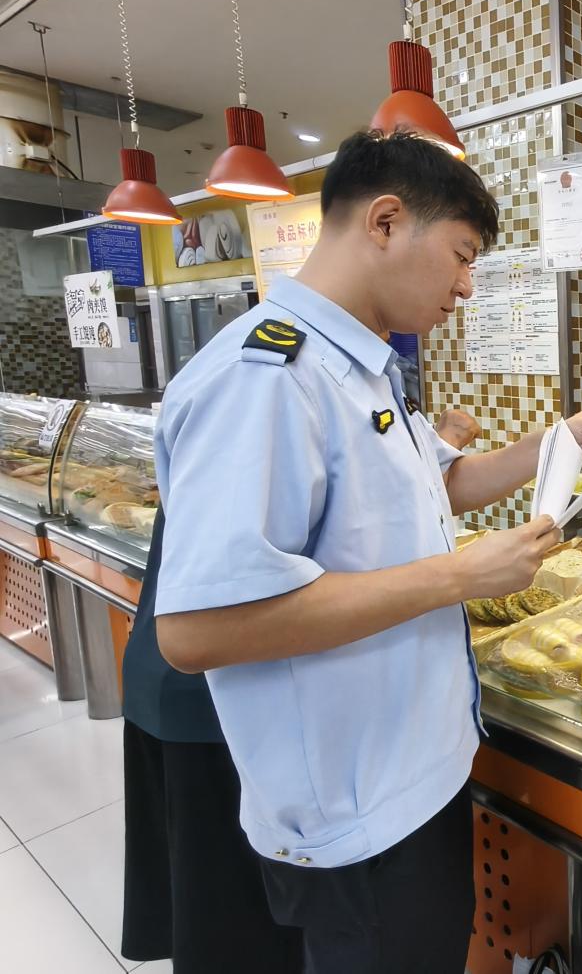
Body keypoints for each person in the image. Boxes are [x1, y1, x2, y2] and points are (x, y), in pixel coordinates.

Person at [150, 131, 582, 974]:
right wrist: (459, 575)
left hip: (414, 779)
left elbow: (436, 486)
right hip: (355, 815)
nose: (467, 286)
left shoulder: (365, 369)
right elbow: (197, 630)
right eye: (462, 255)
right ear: (384, 222)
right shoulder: (266, 378)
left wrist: (558, 442)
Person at [120, 407, 484, 974]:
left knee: (276, 927)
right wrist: (458, 576)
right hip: (221, 709)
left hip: (263, 716)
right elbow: (197, 632)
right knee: (233, 926)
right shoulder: (261, 391)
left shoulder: (359, 384)